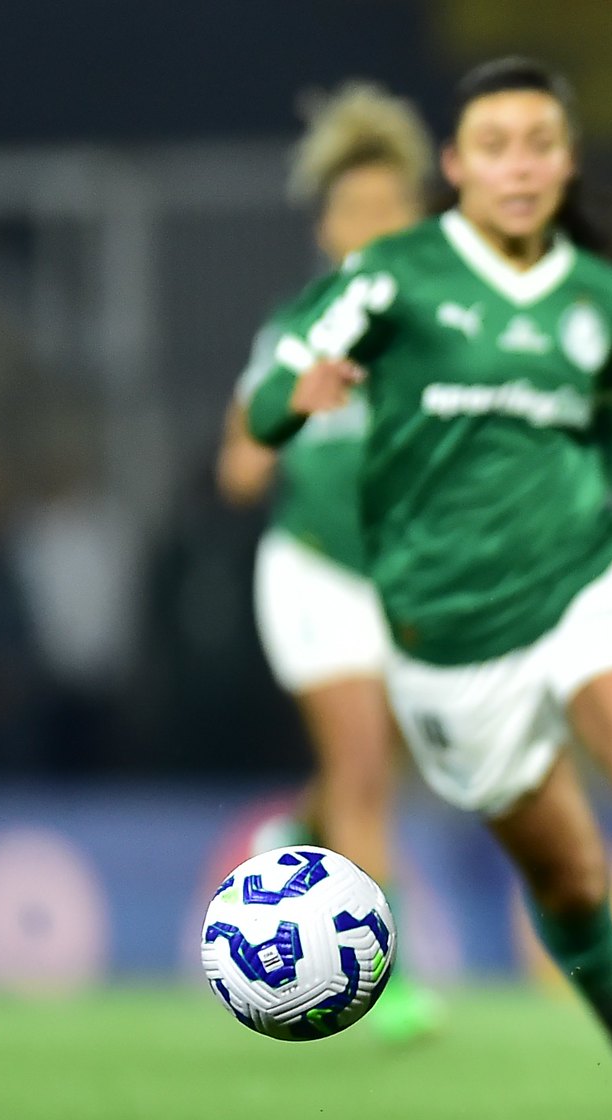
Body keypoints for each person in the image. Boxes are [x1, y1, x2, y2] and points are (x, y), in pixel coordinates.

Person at [243, 56, 612, 1120]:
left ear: (565, 161)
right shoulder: (393, 276)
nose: (519, 164)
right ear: (455, 166)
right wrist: (289, 401)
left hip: (584, 578)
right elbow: (267, 403)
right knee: (569, 877)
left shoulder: (597, 294)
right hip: (446, 632)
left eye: (539, 143)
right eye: (494, 144)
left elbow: (607, 436)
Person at [218, 83, 441, 1042]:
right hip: (312, 568)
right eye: (359, 213)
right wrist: (294, 409)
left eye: (393, 210)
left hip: (402, 581)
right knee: (360, 767)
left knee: (374, 766)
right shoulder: (295, 331)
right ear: (328, 228)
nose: (376, 227)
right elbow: (237, 469)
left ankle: (290, 837)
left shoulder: (444, 335)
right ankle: (384, 975)